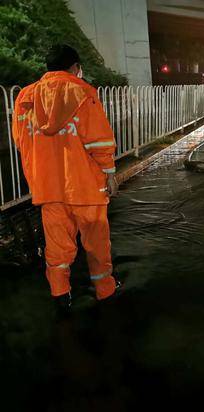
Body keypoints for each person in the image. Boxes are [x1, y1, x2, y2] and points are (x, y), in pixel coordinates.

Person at [11, 45, 120, 313]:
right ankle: (104, 290)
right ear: (74, 67)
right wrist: (109, 173)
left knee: (58, 246)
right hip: (86, 186)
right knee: (96, 242)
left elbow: (21, 141)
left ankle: (60, 294)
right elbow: (100, 140)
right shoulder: (82, 92)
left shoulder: (26, 98)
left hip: (49, 186)